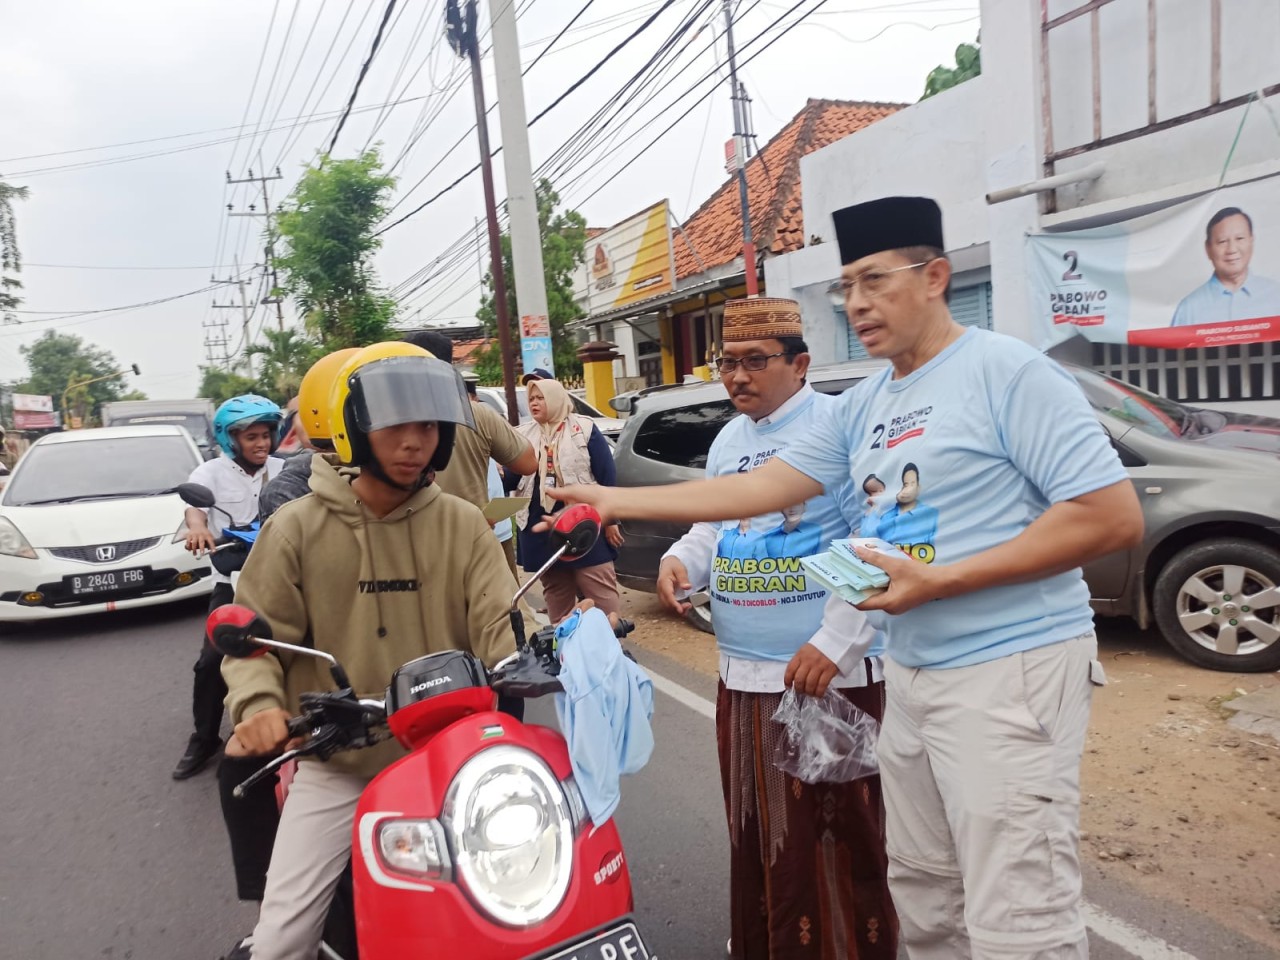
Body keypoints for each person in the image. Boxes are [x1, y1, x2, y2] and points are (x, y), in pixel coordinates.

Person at [550, 196, 1145, 960]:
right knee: (925, 895)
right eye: (846, 287)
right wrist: (611, 497)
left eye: (874, 280)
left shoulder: (1006, 372)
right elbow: (758, 488)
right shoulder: (863, 405)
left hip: (1011, 669)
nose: (857, 302)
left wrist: (945, 582)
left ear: (935, 277)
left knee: (1018, 911)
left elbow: (1108, 516)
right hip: (916, 671)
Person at [219, 343, 518, 960]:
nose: (416, 442)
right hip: (340, 761)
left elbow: (502, 620)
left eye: (428, 426)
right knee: (280, 943)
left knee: (526, 906)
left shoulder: (462, 523)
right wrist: (257, 710)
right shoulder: (296, 528)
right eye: (396, 425)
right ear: (353, 429)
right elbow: (251, 640)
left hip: (453, 761)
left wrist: (558, 646)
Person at [657, 296, 897, 960]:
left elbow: (873, 539)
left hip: (828, 676)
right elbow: (712, 523)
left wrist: (839, 639)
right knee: (759, 833)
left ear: (800, 363)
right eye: (726, 363)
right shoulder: (730, 440)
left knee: (836, 833)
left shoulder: (838, 426)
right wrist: (681, 560)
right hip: (744, 675)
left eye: (755, 362)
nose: (737, 377)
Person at [173, 394, 286, 781]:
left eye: (266, 435)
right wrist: (198, 527)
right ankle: (204, 737)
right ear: (231, 439)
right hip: (233, 580)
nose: (261, 444)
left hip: (282, 577)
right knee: (210, 661)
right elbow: (195, 507)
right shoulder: (210, 474)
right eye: (251, 437)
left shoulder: (284, 468)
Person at [401, 329, 537, 577]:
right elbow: (528, 463)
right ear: (448, 367)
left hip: (414, 548)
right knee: (503, 610)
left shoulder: (388, 421)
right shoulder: (476, 414)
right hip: (479, 538)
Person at [511, 378, 622, 623]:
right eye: (531, 399)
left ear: (556, 399)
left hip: (585, 524)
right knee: (557, 596)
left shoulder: (584, 429)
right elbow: (511, 479)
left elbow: (607, 476)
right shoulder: (521, 435)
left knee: (601, 593)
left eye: (540, 398)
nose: (534, 403)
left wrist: (611, 520)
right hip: (540, 527)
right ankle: (565, 654)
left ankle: (609, 650)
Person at [1171, 206, 1280, 327]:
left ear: (1251, 240)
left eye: (1239, 238)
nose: (1232, 249)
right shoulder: (1188, 309)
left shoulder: (1276, 295)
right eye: (1222, 241)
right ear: (1208, 248)